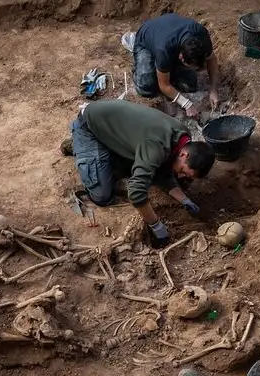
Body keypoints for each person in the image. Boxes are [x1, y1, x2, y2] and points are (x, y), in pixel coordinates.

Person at [62, 99, 215, 248]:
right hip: (90, 126)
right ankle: (78, 144)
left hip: (118, 127)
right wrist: (156, 226)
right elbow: (136, 192)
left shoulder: (183, 137)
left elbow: (163, 168)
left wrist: (184, 199)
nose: (181, 176)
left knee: (148, 166)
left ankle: (103, 151)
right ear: (184, 155)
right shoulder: (156, 147)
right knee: (102, 195)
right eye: (183, 171)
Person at [132, 13, 220, 118]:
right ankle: (139, 58)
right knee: (147, 86)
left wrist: (214, 89)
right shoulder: (164, 49)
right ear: (181, 57)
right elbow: (164, 85)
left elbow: (212, 59)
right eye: (190, 66)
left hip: (170, 32)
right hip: (145, 40)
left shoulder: (201, 36)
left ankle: (163, 68)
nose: (195, 69)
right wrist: (186, 104)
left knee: (190, 84)